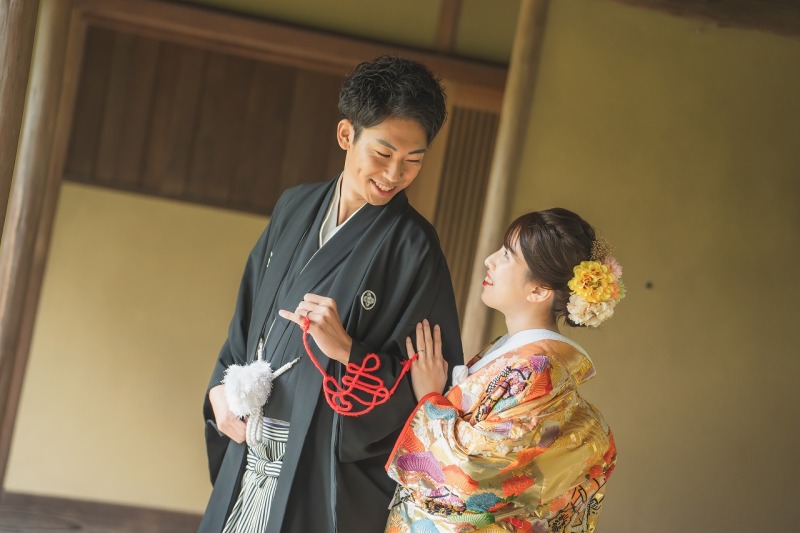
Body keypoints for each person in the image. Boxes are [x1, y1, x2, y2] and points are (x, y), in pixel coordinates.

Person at [199, 56, 464, 533]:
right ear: (347, 135)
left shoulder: (414, 248)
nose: (394, 174)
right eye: (382, 154)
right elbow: (246, 320)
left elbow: (425, 380)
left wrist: (347, 351)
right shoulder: (295, 205)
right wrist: (220, 389)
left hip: (318, 468)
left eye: (413, 161)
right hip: (251, 445)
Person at [386, 208, 620, 532]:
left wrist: (429, 397)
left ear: (538, 290)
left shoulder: (536, 370)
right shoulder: (513, 352)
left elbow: (470, 474)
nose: (490, 260)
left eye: (507, 256)